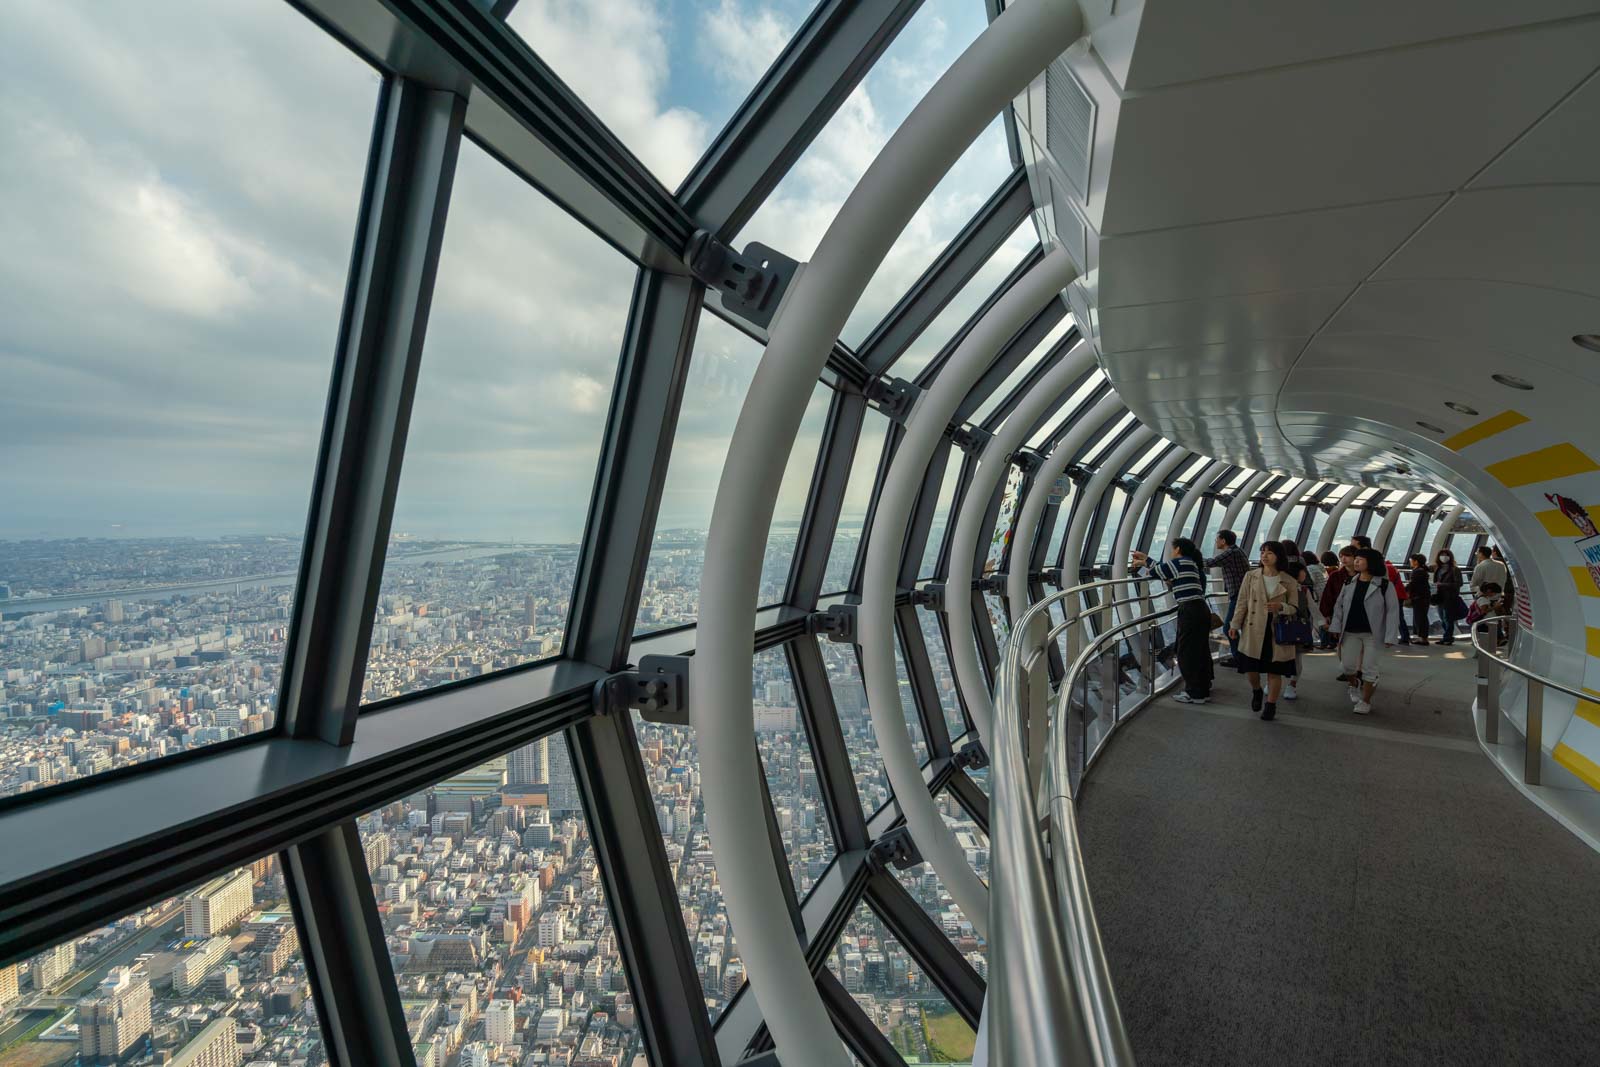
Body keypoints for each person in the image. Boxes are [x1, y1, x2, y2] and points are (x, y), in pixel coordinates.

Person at [1227, 540, 1305, 722]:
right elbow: (1242, 602)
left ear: (1278, 556)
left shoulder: (1289, 580)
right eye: (1262, 552)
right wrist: (1234, 625)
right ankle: (1257, 690)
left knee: (1274, 671)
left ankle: (1271, 705)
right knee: (1251, 670)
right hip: (1253, 628)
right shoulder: (1251, 576)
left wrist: (1281, 606)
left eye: (1269, 552)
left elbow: (1295, 607)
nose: (1264, 556)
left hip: (1276, 629)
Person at [1131, 538, 1213, 704]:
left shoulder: (1180, 562)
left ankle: (1194, 693)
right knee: (1199, 650)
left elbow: (1155, 572)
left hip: (1190, 610)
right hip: (1199, 609)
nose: (1170, 552)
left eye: (1172, 548)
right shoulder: (1189, 563)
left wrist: (1143, 562)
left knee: (1186, 652)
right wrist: (1146, 560)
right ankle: (1202, 689)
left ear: (1178, 549)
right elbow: (1165, 573)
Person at [1328, 548, 1402, 714]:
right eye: (1356, 559)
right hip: (1350, 631)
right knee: (1346, 667)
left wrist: (1391, 635)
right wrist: (1335, 626)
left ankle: (1365, 701)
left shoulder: (1384, 585)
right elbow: (1339, 606)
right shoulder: (1349, 583)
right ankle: (1354, 684)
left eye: (1360, 559)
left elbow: (1392, 611)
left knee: (1370, 669)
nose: (1356, 561)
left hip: (1373, 635)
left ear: (1372, 562)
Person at [1350, 535, 1410, 643]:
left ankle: (1398, 636)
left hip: (1377, 592)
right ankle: (1402, 636)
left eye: (1353, 544)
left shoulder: (1374, 561)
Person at [1206, 530, 1249, 663]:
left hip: (1238, 594)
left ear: (1223, 541)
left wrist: (1190, 559)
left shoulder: (1231, 553)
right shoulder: (1237, 551)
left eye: (1217, 539)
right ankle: (1242, 656)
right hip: (1241, 593)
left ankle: (1239, 658)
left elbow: (1211, 563)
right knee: (1236, 626)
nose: (1216, 542)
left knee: (1229, 627)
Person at [1320, 546, 1358, 649]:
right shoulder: (1335, 576)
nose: (1343, 559)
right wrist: (1326, 614)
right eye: (1341, 556)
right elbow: (1328, 595)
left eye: (1347, 556)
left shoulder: (1363, 576)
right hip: (1339, 613)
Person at [1433, 548, 1465, 643]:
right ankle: (1447, 636)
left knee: (1448, 618)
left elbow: (1459, 583)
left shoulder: (1455, 570)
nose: (1444, 557)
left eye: (1446, 555)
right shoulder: (1437, 568)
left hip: (1450, 597)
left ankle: (1447, 637)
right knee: (1442, 617)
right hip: (1440, 597)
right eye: (1442, 555)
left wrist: (1442, 585)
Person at [1309, 551, 1336, 646]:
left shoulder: (1310, 569)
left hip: (1317, 597)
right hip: (1323, 596)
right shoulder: (1321, 568)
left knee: (1318, 620)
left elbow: (1311, 581)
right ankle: (1327, 640)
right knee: (1322, 619)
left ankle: (1320, 640)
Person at [1405, 553, 1432, 644]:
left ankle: (1423, 638)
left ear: (1416, 561)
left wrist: (1405, 589)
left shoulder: (1417, 571)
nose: (1410, 562)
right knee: (1421, 616)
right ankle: (1422, 637)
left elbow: (1413, 584)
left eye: (1411, 560)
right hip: (1423, 597)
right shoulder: (1422, 571)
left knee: (1420, 617)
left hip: (1419, 597)